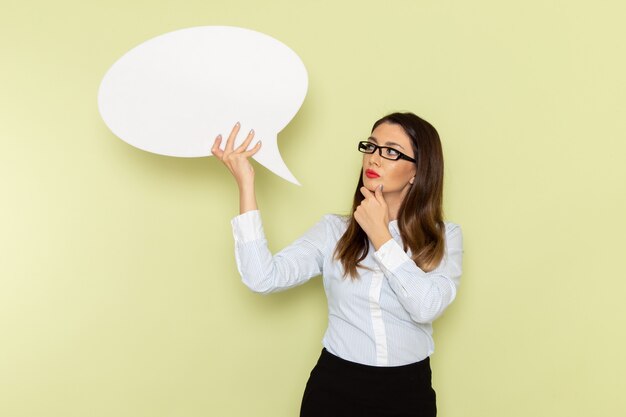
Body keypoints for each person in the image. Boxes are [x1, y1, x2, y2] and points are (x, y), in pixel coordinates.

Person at [211, 112, 463, 417]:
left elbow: (427, 307)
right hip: (335, 388)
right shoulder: (333, 231)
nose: (375, 159)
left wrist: (381, 236)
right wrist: (246, 184)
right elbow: (262, 277)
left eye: (391, 151)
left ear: (417, 171)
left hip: (407, 392)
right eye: (371, 147)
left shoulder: (444, 236)